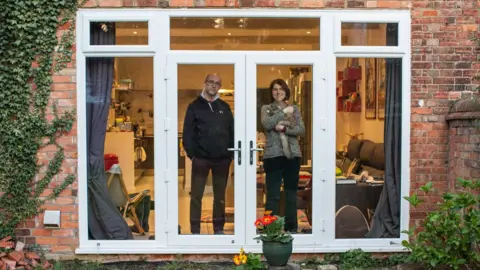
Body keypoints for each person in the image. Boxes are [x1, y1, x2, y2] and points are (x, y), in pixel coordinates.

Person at [182, 74, 234, 235]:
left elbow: (232, 131)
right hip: (201, 160)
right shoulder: (194, 106)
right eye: (211, 82)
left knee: (220, 197)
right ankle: (195, 229)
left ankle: (218, 228)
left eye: (217, 83)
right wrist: (193, 156)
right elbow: (187, 134)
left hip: (222, 160)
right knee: (196, 196)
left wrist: (230, 154)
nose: (214, 85)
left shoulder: (224, 107)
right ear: (205, 83)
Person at [260, 78, 305, 233]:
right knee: (272, 195)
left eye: (281, 89)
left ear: (286, 90)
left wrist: (284, 129)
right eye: (275, 89)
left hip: (292, 156)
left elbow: (301, 129)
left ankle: (291, 228)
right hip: (273, 156)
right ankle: (269, 229)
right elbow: (267, 123)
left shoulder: (295, 109)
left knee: (291, 194)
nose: (278, 92)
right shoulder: (266, 108)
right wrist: (283, 112)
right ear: (271, 92)